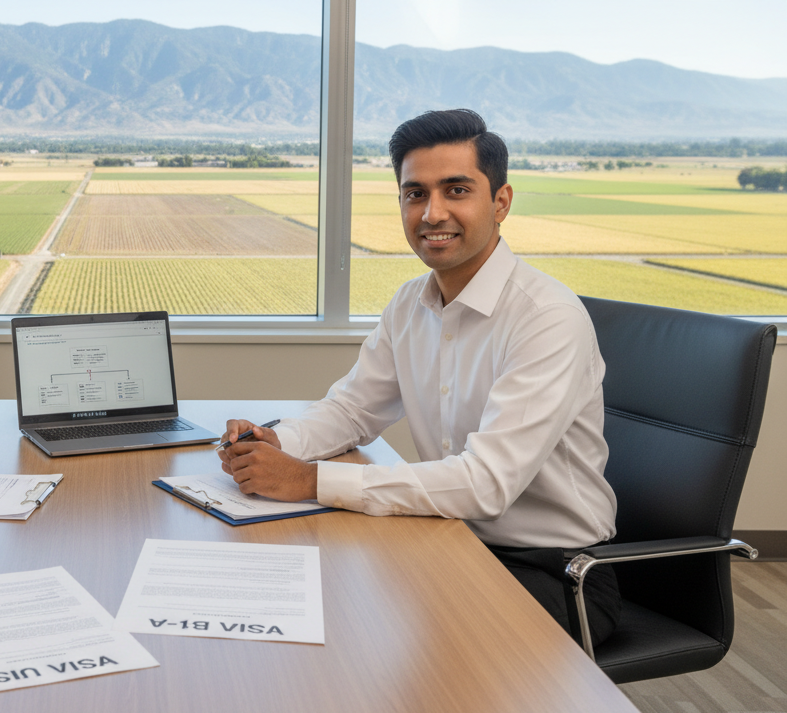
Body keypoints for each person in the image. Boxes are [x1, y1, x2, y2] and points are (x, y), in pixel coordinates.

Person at [217, 109, 621, 646]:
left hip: (557, 574)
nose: (432, 213)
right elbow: (353, 410)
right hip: (445, 535)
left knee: (362, 630)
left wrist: (307, 480)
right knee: (301, 592)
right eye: (414, 194)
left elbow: (485, 484)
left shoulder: (546, 318)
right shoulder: (411, 302)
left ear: (500, 203)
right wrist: (278, 442)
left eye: (456, 190)